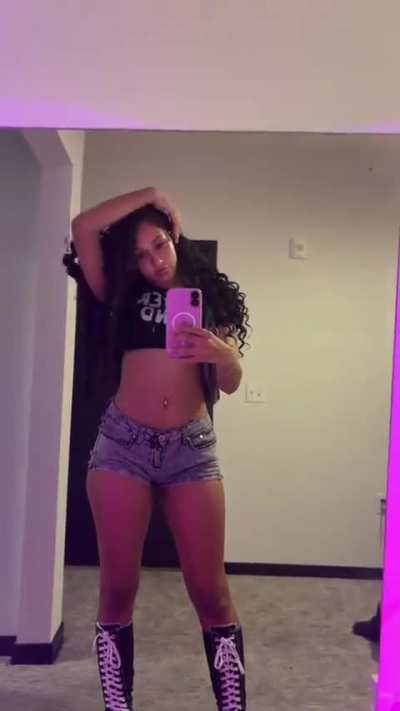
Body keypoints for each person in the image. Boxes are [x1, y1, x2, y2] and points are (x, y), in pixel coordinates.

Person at [68, 186, 250, 711]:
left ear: (175, 237)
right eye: (141, 255)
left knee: (211, 592)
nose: (153, 262)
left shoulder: (210, 297)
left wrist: (224, 356)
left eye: (159, 246)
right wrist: (151, 195)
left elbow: (231, 383)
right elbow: (83, 227)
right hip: (122, 446)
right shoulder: (119, 292)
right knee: (117, 589)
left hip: (191, 451)